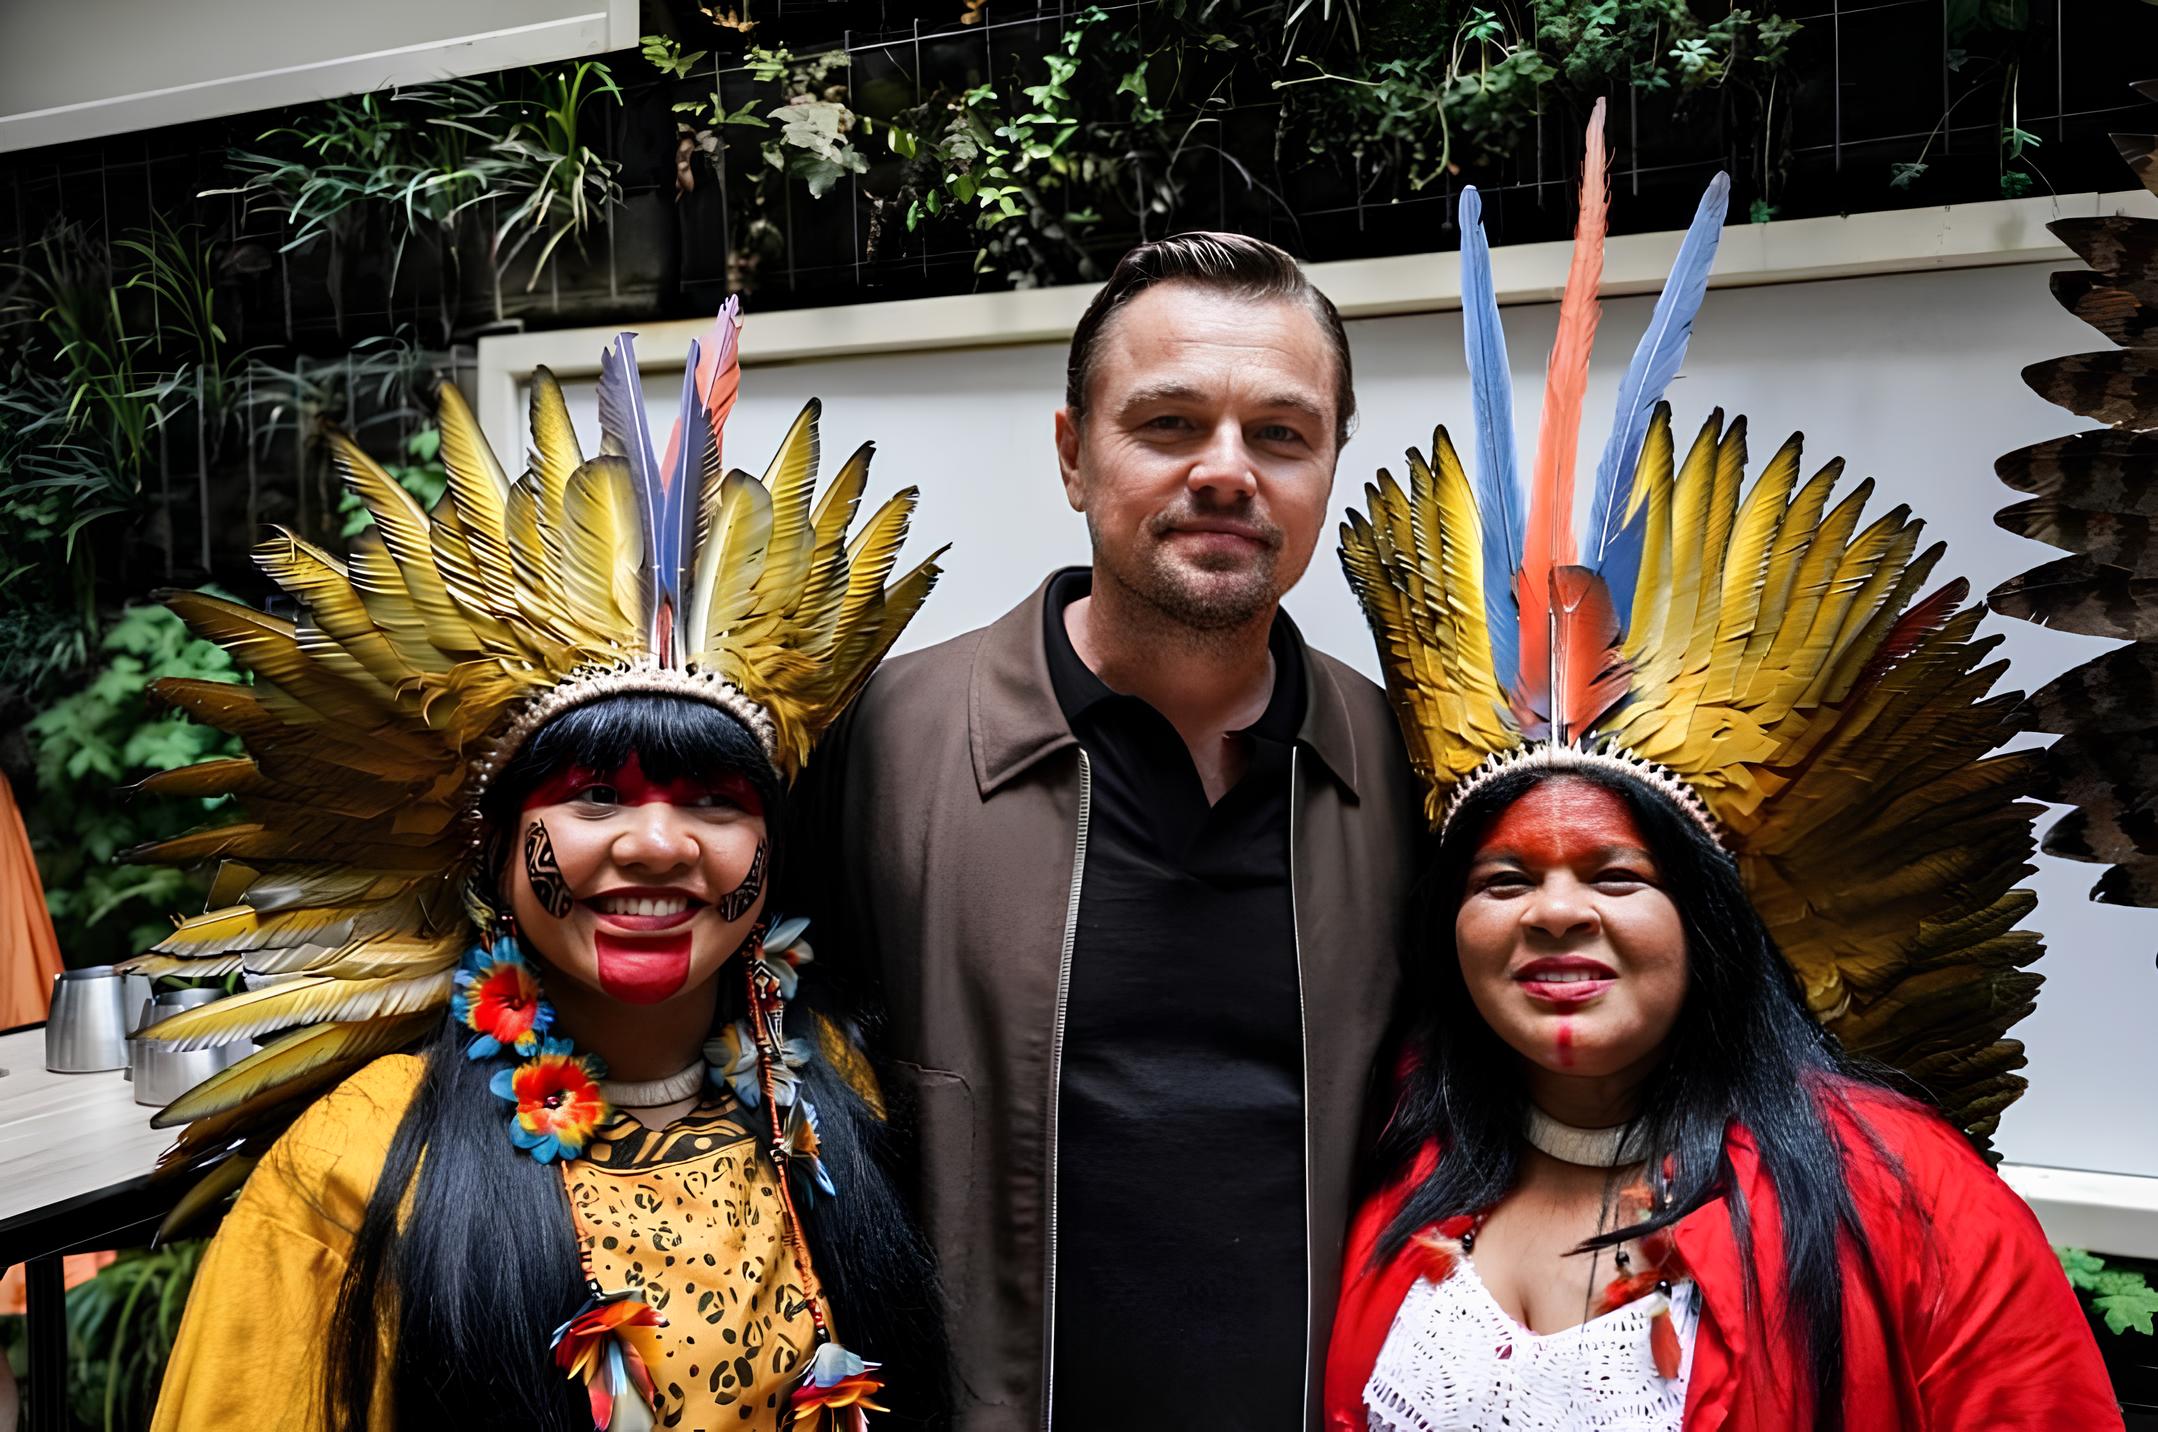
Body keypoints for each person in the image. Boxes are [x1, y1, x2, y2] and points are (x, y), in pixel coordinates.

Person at [1323, 105, 2121, 1429]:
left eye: (1613, 873)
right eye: (1504, 876)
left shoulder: (1907, 1203)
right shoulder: (1381, 1179)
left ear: (1704, 922)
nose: (1554, 911)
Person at [132, 304, 948, 1431]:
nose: (659, 845)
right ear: (489, 845)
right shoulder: (355, 1170)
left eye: (716, 801)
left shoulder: (832, 1098)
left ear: (771, 848)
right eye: (594, 796)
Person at [791, 232, 1421, 1429]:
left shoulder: (1406, 771)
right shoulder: (882, 741)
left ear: (1330, 461)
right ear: (1075, 454)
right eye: (1169, 424)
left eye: (1280, 434)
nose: (1226, 472)